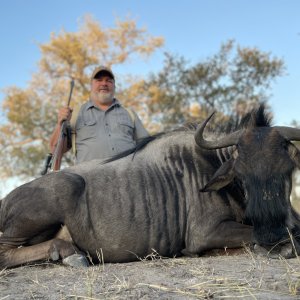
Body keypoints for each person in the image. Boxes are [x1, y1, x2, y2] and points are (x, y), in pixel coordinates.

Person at [49, 66, 149, 164]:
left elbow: (147, 148)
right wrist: (60, 124)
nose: (104, 83)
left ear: (114, 86)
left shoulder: (130, 114)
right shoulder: (74, 114)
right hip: (89, 179)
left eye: (109, 80)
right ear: (91, 86)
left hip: (129, 177)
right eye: (99, 80)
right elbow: (55, 149)